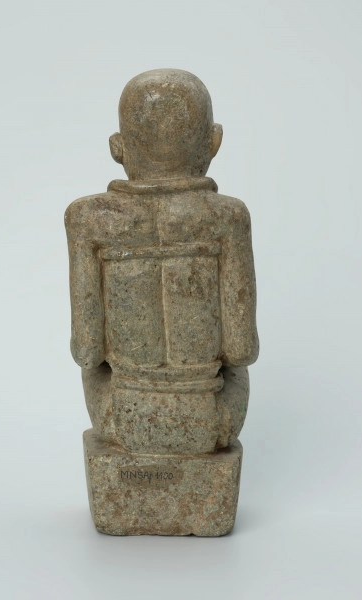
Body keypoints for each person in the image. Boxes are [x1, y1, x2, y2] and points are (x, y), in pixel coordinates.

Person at [65, 69, 259, 456]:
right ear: (214, 141)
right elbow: (241, 350)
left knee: (94, 366)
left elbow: (86, 351)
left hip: (118, 419)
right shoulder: (228, 218)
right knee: (235, 367)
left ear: (118, 147)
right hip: (212, 422)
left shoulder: (88, 219)